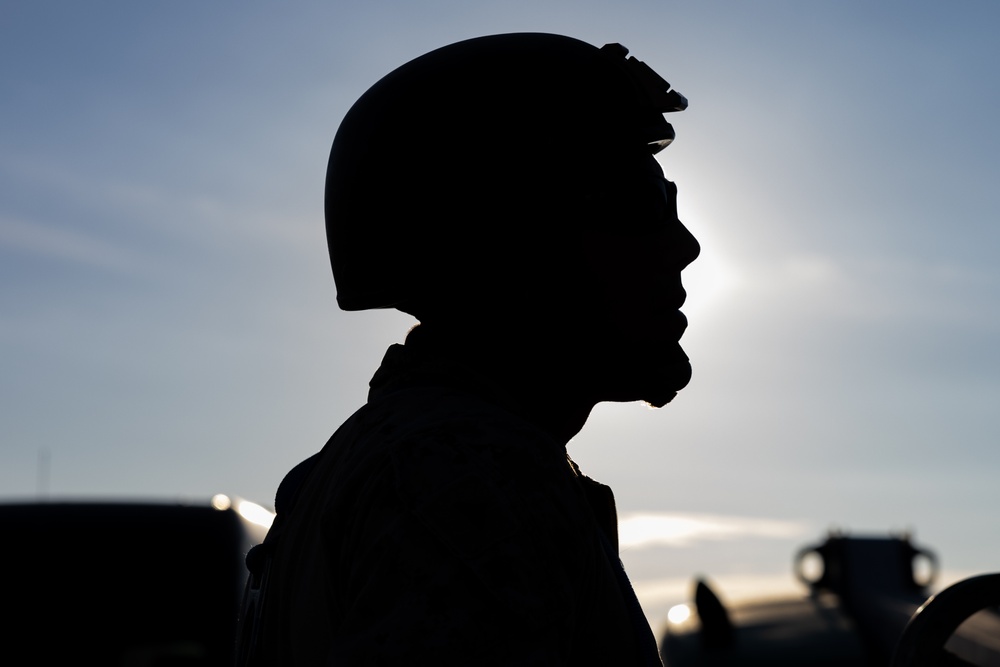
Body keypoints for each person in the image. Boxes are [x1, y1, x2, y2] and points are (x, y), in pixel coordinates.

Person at [236, 32, 700, 666]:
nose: (684, 246)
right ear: (507, 240)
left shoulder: (396, 463)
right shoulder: (472, 476)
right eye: (638, 208)